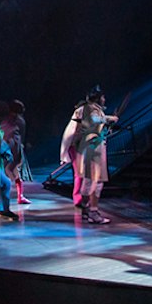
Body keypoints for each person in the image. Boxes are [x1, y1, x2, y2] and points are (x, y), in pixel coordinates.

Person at [61, 86, 118, 224]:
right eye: (102, 97)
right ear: (98, 98)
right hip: (92, 150)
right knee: (95, 181)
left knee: (90, 181)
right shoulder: (89, 110)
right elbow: (94, 119)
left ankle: (87, 210)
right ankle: (92, 211)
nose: (104, 99)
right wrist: (110, 119)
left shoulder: (88, 110)